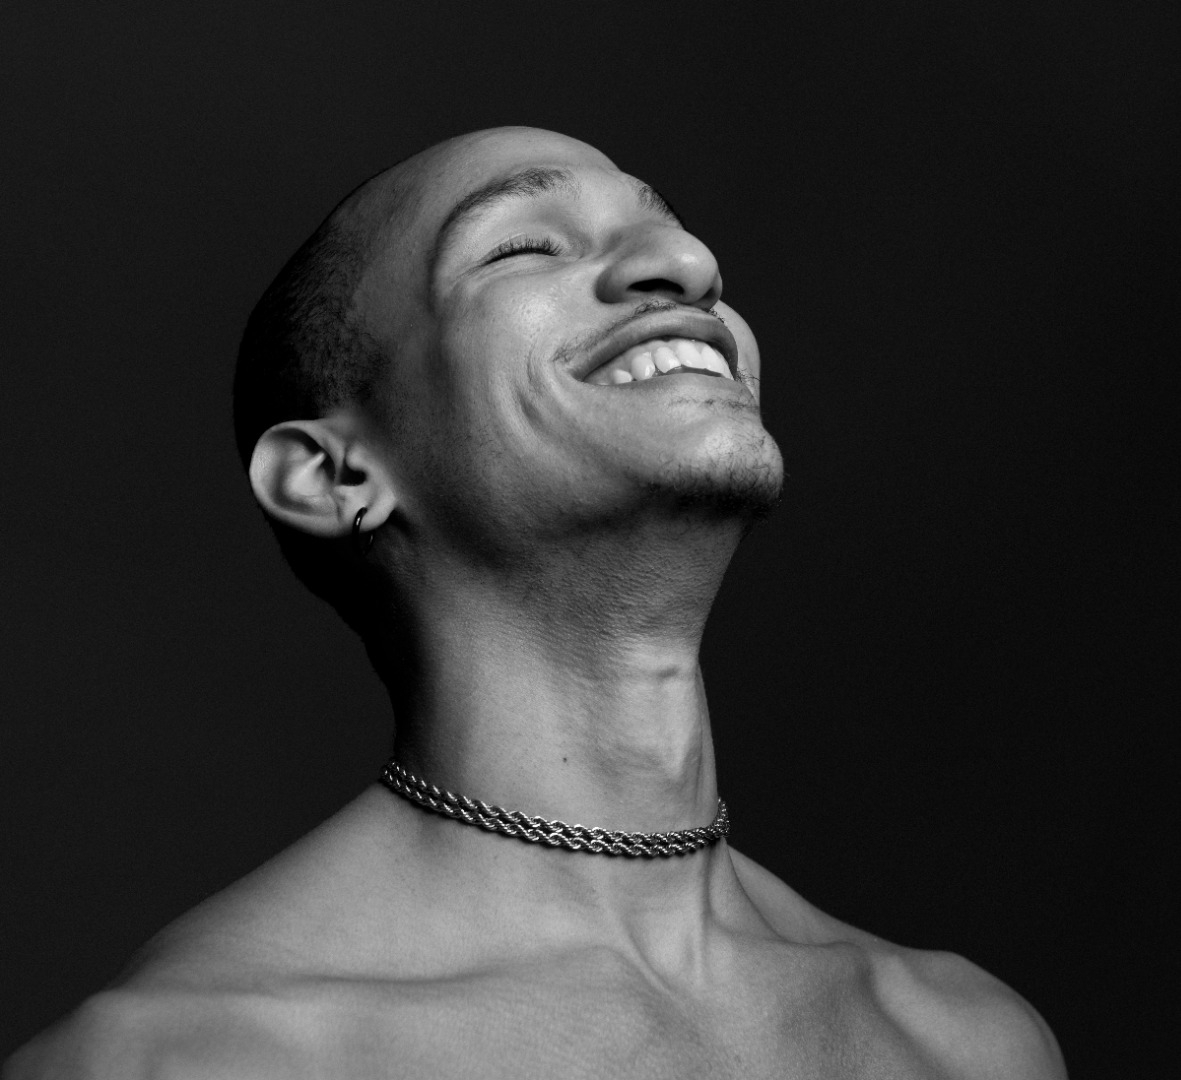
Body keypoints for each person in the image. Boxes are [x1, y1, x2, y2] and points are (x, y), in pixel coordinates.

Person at [4, 126, 1067, 1079]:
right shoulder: (188, 1061)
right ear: (334, 476)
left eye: (668, 232)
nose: (687, 264)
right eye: (522, 246)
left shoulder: (960, 1042)